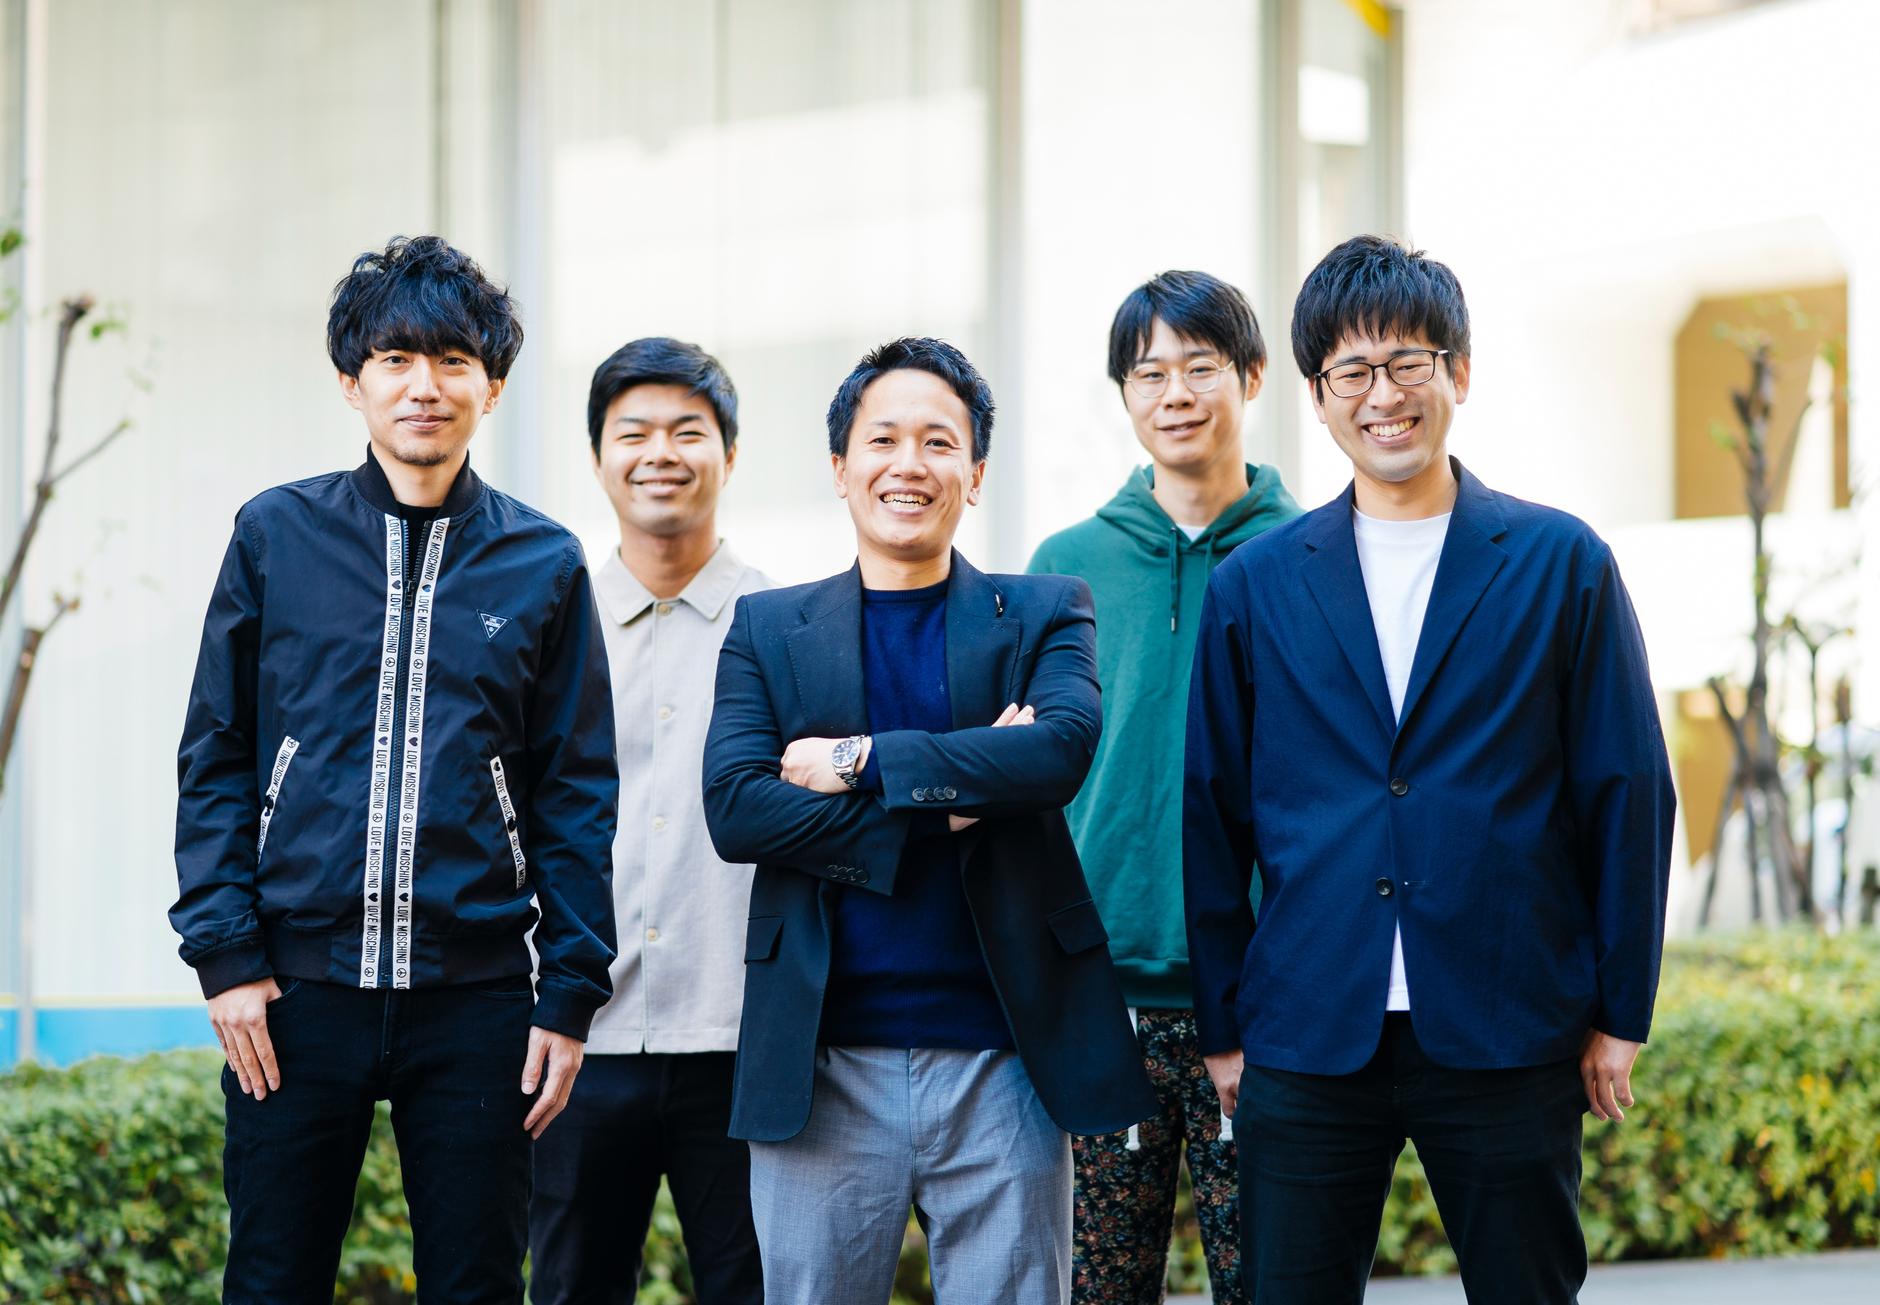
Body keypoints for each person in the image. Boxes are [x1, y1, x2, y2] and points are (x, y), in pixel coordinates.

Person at [1183, 234, 1676, 1304]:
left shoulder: (1561, 562)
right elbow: (1212, 812)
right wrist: (1222, 1029)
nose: (1383, 395)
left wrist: (1621, 1009)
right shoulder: (1255, 585)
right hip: (1308, 1027)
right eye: (1351, 371)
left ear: (1459, 371)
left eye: (1408, 362)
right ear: (1318, 396)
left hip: (1509, 1021)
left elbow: (1629, 791)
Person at [170, 235, 617, 1304]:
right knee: (272, 1279)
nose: (425, 386)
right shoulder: (276, 535)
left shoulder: (543, 562)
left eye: (454, 360)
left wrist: (568, 991)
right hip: (296, 987)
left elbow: (575, 789)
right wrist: (226, 956)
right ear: (351, 381)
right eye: (396, 359)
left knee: (477, 1283)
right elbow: (216, 750)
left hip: (476, 998)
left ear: (491, 387)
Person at [702, 337, 1156, 1305]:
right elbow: (738, 810)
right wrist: (951, 805)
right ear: (840, 466)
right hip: (823, 1063)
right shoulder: (768, 628)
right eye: (883, 440)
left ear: (975, 473)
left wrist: (857, 762)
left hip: (1006, 1062)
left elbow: (1057, 753)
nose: (909, 464)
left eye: (939, 442)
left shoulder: (1044, 610)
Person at [1028, 270, 1299, 1304]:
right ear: (1125, 394)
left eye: (1200, 367)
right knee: (1098, 1287)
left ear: (1252, 377)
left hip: (1268, 1000)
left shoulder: (1308, 552)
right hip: (1100, 1002)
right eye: (1149, 373)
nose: (1175, 393)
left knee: (1274, 1282)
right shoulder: (1064, 568)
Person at [528, 338, 770, 1304]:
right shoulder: (551, 624)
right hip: (579, 1042)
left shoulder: (787, 624)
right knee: (572, 1286)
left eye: (687, 431)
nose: (659, 453)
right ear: (598, 459)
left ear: (729, 454)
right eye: (633, 433)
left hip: (742, 1039)